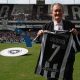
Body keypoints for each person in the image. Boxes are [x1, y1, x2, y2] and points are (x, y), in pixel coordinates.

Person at [35, 3, 80, 80]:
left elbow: (76, 42)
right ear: (52, 13)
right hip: (51, 66)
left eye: (60, 11)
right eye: (55, 11)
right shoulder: (46, 26)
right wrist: (39, 35)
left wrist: (77, 34)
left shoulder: (70, 25)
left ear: (63, 12)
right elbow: (40, 42)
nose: (58, 13)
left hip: (66, 65)